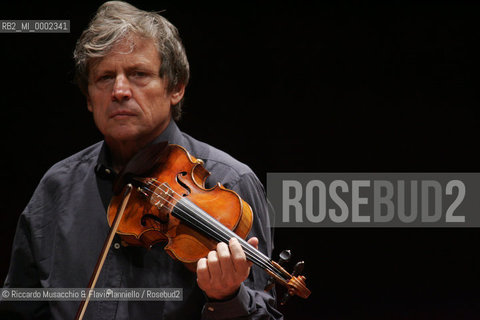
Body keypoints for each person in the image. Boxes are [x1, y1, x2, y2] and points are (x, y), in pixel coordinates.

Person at [0, 1, 282, 319]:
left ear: (175, 87)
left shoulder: (228, 182)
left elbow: (264, 314)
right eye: (105, 77)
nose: (120, 90)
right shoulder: (57, 188)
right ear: (89, 97)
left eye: (138, 74)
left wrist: (228, 296)